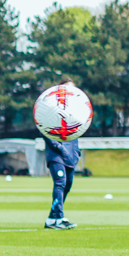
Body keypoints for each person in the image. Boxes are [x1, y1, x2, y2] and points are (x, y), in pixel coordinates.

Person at [43, 79, 82, 230]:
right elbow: (44, 129)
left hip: (71, 155)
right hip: (56, 154)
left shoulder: (76, 111)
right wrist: (58, 147)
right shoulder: (51, 109)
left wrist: (76, 152)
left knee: (67, 185)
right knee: (60, 183)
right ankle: (58, 218)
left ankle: (52, 219)